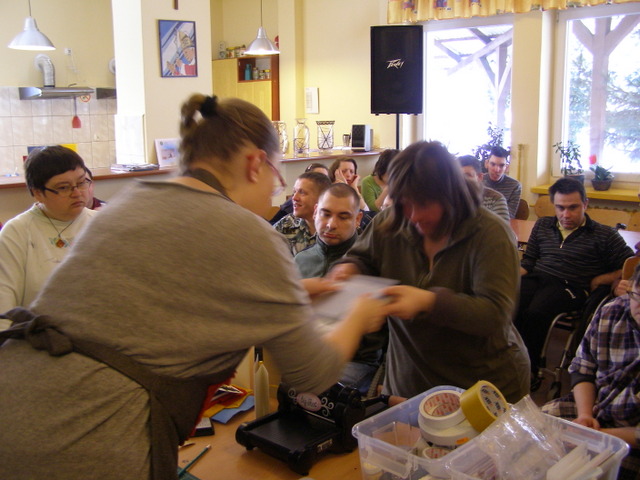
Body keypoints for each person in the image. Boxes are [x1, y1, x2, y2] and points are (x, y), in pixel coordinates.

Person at [0, 95, 388, 480]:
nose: (277, 188)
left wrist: (296, 294)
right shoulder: (249, 234)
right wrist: (358, 314)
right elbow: (313, 375)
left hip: (14, 400)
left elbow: (177, 299)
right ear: (255, 163)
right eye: (276, 174)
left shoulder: (126, 204)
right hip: (85, 442)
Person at [328, 140, 530, 404]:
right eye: (404, 204)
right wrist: (348, 268)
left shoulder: (491, 234)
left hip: (482, 387)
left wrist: (429, 301)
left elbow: (495, 314)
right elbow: (362, 258)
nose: (413, 216)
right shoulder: (392, 221)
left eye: (423, 204)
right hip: (410, 382)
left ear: (452, 194)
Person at [515, 177, 633, 390]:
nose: (566, 215)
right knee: (510, 301)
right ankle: (509, 360)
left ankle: (529, 368)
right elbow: (530, 261)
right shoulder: (543, 225)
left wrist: (602, 279)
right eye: (560, 208)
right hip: (539, 278)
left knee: (536, 312)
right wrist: (508, 278)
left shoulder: (604, 235)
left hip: (571, 286)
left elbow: (630, 265)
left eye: (573, 208)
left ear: (585, 204)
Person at [542, 264, 640, 480]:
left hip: (630, 435)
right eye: (637, 296)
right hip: (596, 406)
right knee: (534, 432)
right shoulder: (613, 311)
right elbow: (583, 368)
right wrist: (585, 415)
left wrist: (598, 436)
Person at [295, 183, 387, 395]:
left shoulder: (369, 264)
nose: (331, 224)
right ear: (316, 211)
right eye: (325, 214)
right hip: (305, 355)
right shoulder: (300, 260)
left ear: (358, 219)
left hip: (355, 363)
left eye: (343, 217)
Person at [0, 146, 98, 317]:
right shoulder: (17, 232)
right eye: (63, 187)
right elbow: (4, 308)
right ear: (37, 193)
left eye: (82, 182)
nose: (77, 193)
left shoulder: (100, 224)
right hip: (37, 330)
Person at [273, 171, 331, 255]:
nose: (294, 198)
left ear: (322, 198)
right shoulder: (287, 224)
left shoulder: (333, 228)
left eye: (302, 193)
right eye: (294, 192)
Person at [458, 154, 510, 223]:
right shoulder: (450, 198)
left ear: (479, 177)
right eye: (457, 176)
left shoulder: (496, 199)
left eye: (467, 175)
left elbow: (501, 228)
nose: (461, 180)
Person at [482, 146, 522, 218]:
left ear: (506, 167)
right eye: (493, 164)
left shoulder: (515, 186)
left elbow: (509, 215)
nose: (497, 169)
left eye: (501, 165)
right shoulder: (477, 182)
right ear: (486, 164)